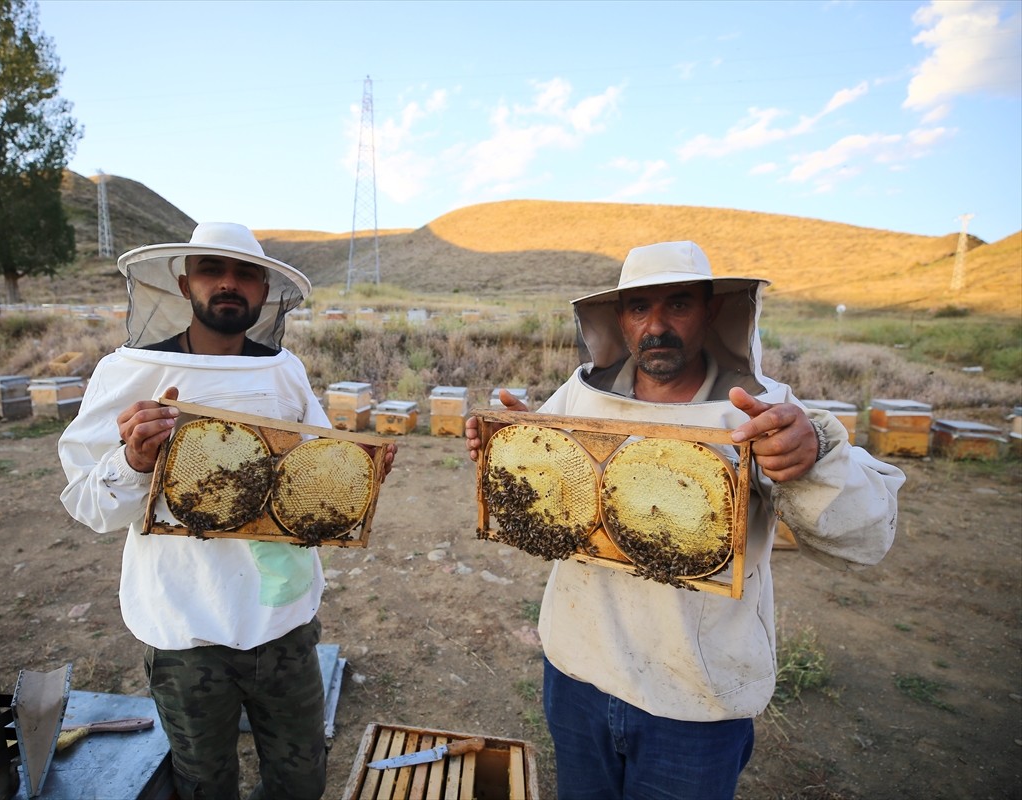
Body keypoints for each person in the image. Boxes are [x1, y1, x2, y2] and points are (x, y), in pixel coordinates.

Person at [465, 240, 904, 799]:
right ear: (619, 320)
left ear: (712, 310)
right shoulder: (580, 396)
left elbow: (864, 536)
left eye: (678, 305)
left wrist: (813, 456)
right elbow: (547, 497)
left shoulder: (761, 410)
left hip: (694, 699)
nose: (657, 326)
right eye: (639, 308)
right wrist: (520, 444)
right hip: (578, 671)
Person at [59, 222, 394, 800]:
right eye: (213, 270)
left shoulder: (281, 370)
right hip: (187, 630)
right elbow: (89, 505)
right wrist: (135, 462)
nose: (229, 284)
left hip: (282, 623)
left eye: (245, 274)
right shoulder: (130, 371)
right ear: (186, 282)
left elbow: (310, 476)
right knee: (204, 783)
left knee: (300, 777)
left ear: (265, 290)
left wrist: (355, 477)